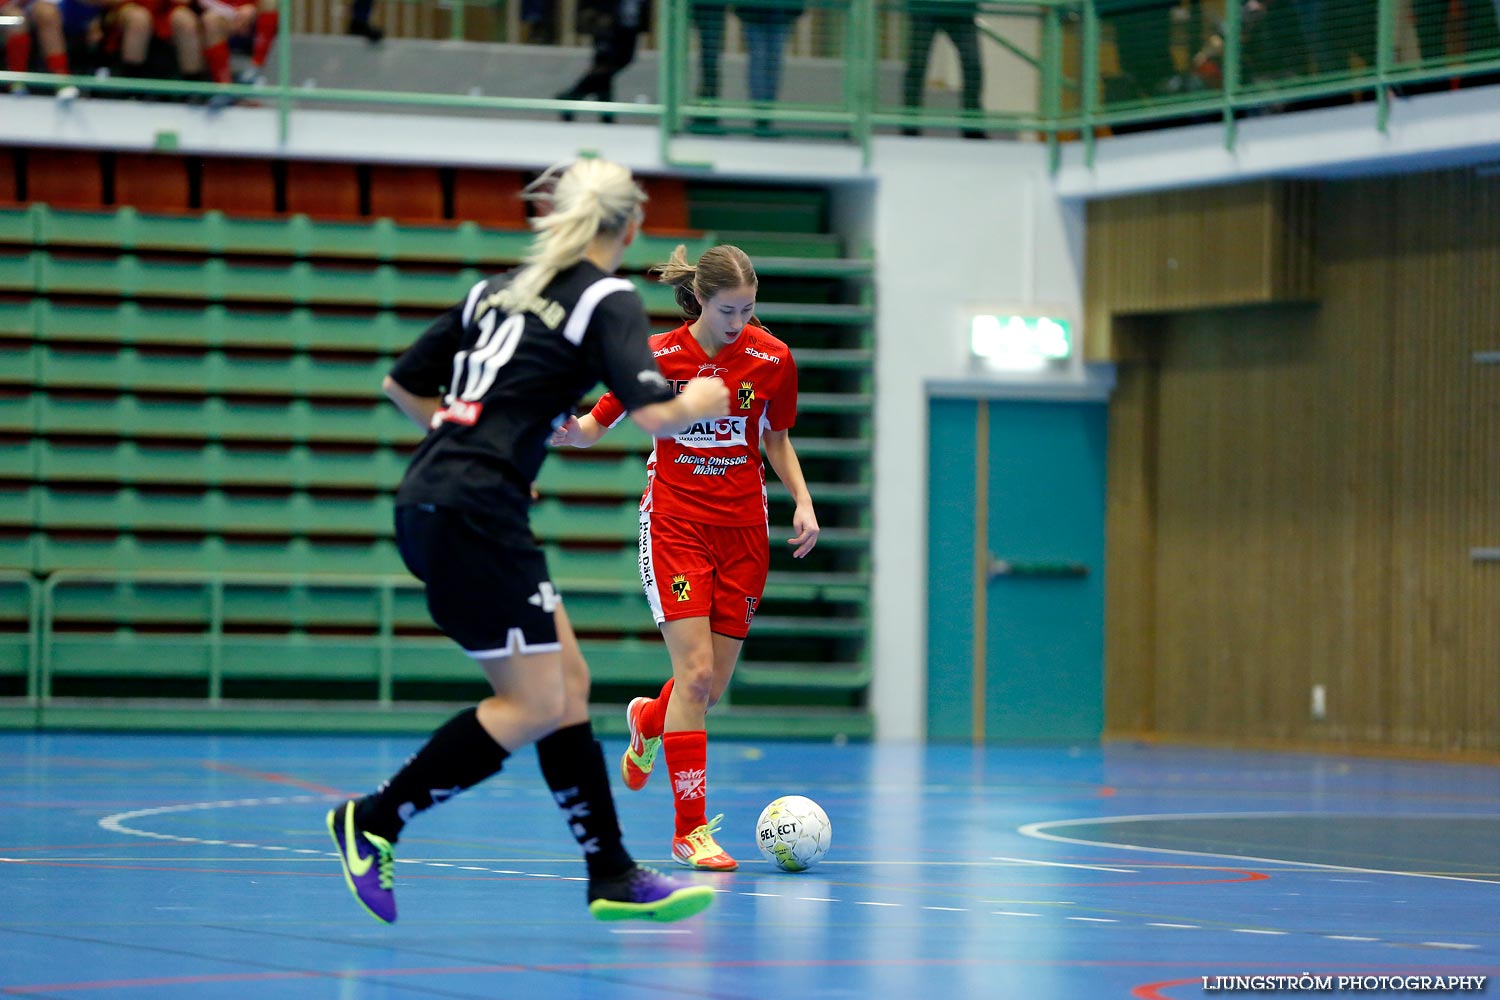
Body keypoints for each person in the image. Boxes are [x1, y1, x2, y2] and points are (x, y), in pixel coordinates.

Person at [326, 159, 730, 926]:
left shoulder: (498, 289)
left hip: (441, 500)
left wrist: (482, 450)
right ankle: (374, 819)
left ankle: (609, 870)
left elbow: (404, 387)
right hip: (473, 514)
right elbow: (653, 415)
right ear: (631, 227)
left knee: (567, 683)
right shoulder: (604, 295)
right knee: (537, 700)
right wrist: (699, 397)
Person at [551, 243, 819, 871]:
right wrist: (571, 432)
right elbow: (597, 421)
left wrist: (802, 502)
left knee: (709, 687)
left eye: (749, 309)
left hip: (745, 533)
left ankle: (649, 716)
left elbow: (775, 438)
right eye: (729, 309)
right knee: (695, 677)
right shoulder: (658, 356)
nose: (739, 322)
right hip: (675, 524)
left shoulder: (773, 359)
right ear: (700, 299)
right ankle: (689, 830)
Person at [901, 0, 985, 139]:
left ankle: (972, 125)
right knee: (916, 66)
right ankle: (910, 125)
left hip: (961, 10)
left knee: (972, 65)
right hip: (924, 8)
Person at [555, 0, 648, 121]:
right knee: (605, 64)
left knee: (613, 66)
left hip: (628, 28)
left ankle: (572, 97)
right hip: (608, 25)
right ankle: (603, 112)